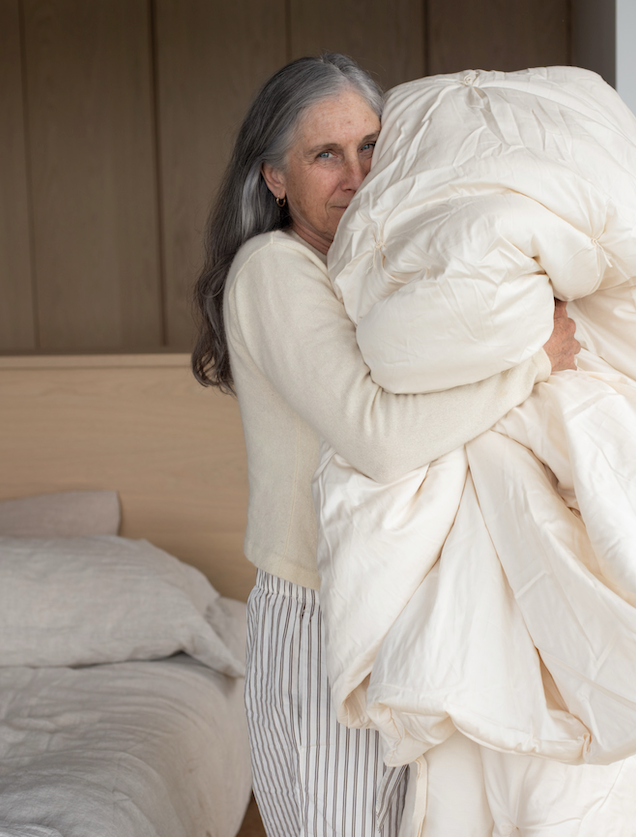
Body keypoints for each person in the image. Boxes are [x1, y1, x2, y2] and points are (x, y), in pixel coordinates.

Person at [192, 53, 579, 837]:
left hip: (404, 603)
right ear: (275, 179)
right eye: (324, 154)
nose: (357, 174)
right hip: (321, 611)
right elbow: (379, 437)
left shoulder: (376, 269)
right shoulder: (274, 269)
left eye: (370, 146)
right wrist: (532, 362)